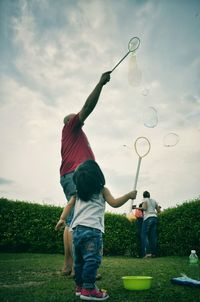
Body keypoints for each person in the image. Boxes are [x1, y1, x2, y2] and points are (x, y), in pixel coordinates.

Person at [56, 160, 137, 300]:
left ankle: (80, 287)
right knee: (92, 260)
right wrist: (128, 196)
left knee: (79, 260)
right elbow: (115, 203)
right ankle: (89, 289)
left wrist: (62, 219)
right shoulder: (102, 191)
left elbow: (69, 205)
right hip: (93, 231)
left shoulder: (78, 193)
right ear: (98, 175)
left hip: (76, 231)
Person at [59, 71, 111, 277]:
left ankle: (69, 266)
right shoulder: (71, 128)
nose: (80, 119)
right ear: (69, 122)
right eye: (76, 118)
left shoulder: (77, 138)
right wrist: (100, 84)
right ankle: (79, 268)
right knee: (78, 221)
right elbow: (87, 107)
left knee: (73, 220)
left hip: (71, 174)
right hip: (75, 174)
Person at [140, 191, 161, 258]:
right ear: (149, 195)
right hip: (154, 218)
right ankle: (154, 253)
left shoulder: (144, 200)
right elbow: (159, 211)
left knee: (144, 235)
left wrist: (136, 208)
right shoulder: (154, 200)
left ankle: (148, 253)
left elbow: (144, 208)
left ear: (143, 196)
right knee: (153, 236)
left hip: (147, 218)